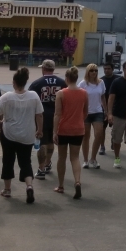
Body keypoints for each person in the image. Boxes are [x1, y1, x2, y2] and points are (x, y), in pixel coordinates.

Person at [0, 67, 43, 204]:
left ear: (14, 82)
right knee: (25, 161)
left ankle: (7, 189)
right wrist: (40, 129)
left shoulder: (7, 97)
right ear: (25, 82)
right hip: (27, 134)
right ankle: (29, 185)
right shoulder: (33, 96)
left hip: (9, 134)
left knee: (8, 160)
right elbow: (39, 115)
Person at [53, 67, 88, 199]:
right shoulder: (84, 93)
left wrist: (54, 131)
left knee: (62, 157)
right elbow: (86, 112)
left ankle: (61, 185)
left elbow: (57, 114)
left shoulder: (61, 93)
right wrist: (79, 120)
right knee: (75, 157)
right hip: (78, 129)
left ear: (67, 79)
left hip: (63, 128)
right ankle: (77, 181)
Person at [29, 60, 65, 179]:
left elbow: (30, 100)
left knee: (42, 142)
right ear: (53, 69)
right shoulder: (62, 82)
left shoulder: (36, 83)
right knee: (51, 140)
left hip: (42, 115)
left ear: (43, 68)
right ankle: (48, 162)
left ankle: (41, 168)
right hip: (57, 115)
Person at [78, 64, 106, 170]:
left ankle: (93, 158)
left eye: (95, 70)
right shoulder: (83, 84)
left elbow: (103, 97)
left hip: (98, 111)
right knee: (86, 136)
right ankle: (85, 160)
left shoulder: (101, 83)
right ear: (88, 72)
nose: (94, 72)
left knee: (99, 134)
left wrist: (106, 111)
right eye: (92, 71)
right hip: (86, 112)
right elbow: (79, 99)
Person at [99, 62, 119, 155]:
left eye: (108, 69)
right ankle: (102, 146)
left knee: (115, 128)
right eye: (105, 69)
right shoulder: (100, 80)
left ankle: (114, 141)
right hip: (103, 107)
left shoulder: (117, 79)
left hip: (115, 107)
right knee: (102, 128)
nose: (106, 70)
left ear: (112, 69)